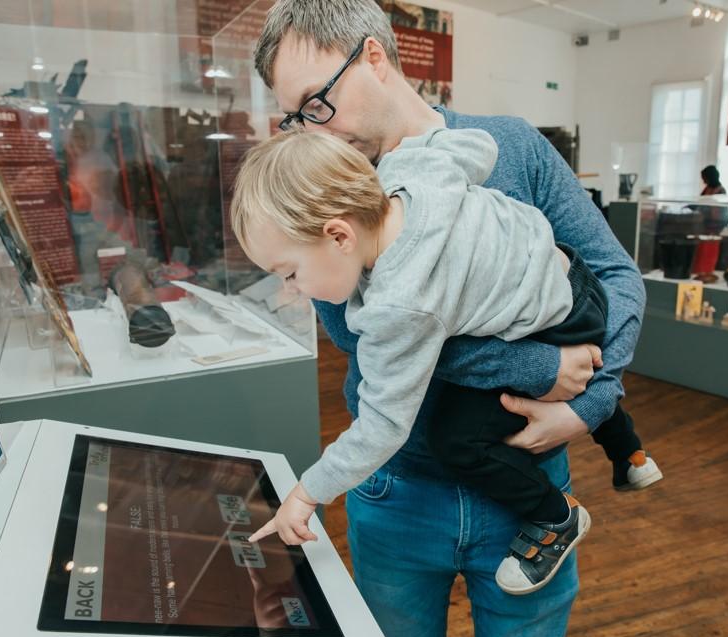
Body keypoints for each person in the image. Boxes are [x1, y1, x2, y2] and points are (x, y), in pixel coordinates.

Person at [248, 1, 647, 637]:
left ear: (373, 57)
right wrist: (543, 370)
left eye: (316, 104)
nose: (312, 133)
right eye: (296, 118)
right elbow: (365, 341)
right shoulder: (324, 193)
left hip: (533, 481)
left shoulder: (508, 146)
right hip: (397, 489)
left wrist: (590, 406)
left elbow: (615, 275)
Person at [233, 127, 661, 597]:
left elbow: (382, 425)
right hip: (574, 280)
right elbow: (480, 146)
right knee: (568, 376)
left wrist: (305, 493)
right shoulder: (410, 170)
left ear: (339, 235)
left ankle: (555, 516)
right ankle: (630, 452)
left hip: (554, 323)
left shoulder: (400, 305)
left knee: (457, 440)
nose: (292, 290)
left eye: (291, 273)